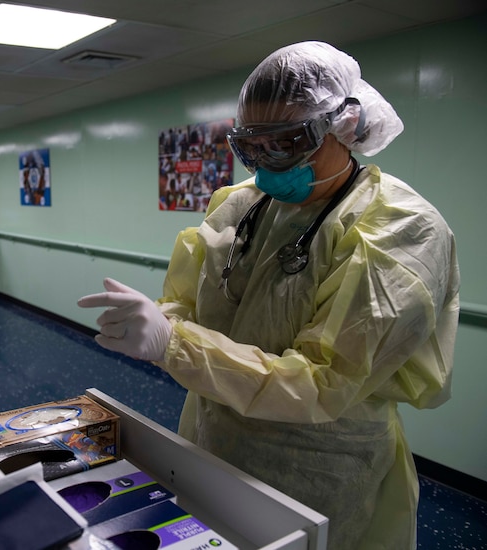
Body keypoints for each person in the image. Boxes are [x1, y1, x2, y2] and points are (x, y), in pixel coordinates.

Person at [78, 41, 459, 550]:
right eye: (251, 146)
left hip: (314, 462)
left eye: (285, 143)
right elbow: (188, 304)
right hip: (212, 435)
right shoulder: (242, 205)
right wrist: (156, 322)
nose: (264, 162)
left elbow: (324, 383)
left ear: (343, 127)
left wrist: (174, 344)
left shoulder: (400, 229)